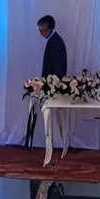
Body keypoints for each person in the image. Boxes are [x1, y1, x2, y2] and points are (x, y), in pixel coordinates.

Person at [26, 15, 67, 143]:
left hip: (52, 86)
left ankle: (51, 142)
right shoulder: (54, 40)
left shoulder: (55, 42)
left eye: (42, 30)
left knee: (50, 118)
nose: (41, 32)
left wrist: (51, 85)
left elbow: (58, 67)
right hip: (50, 84)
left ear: (48, 28)